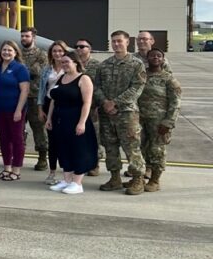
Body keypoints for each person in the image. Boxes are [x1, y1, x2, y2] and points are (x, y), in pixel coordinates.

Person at [94, 30, 147, 193]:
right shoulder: (104, 65)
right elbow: (97, 87)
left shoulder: (136, 64)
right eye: (113, 41)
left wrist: (115, 103)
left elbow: (137, 87)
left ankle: (138, 179)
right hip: (106, 114)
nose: (116, 44)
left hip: (127, 113)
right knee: (110, 146)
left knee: (131, 146)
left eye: (119, 41)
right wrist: (104, 102)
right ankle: (115, 178)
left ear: (127, 42)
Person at [45, 53, 98, 195]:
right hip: (60, 119)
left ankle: (77, 182)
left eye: (67, 61)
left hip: (76, 118)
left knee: (78, 149)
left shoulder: (84, 79)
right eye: (62, 62)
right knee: (63, 149)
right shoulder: (61, 78)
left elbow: (87, 103)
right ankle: (67, 180)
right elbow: (53, 100)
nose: (64, 64)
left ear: (75, 62)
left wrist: (82, 122)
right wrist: (49, 118)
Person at [137, 49, 181, 192]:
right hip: (140, 118)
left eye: (159, 56)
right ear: (147, 59)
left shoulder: (169, 78)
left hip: (159, 122)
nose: (155, 58)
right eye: (152, 56)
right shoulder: (141, 76)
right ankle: (140, 177)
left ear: (163, 59)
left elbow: (176, 103)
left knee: (157, 150)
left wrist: (168, 122)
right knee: (139, 148)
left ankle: (155, 179)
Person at [0, 40, 30, 181]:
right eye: (4, 50)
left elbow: (24, 90)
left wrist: (18, 110)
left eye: (10, 50)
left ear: (15, 52)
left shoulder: (20, 68)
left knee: (17, 139)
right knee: (4, 139)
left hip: (15, 109)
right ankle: (7, 168)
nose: (6, 52)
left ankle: (16, 170)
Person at [38, 41, 69, 184]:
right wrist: (40, 108)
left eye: (60, 51)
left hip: (66, 106)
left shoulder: (69, 68)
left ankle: (67, 173)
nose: (57, 54)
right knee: (52, 141)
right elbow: (41, 90)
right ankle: (52, 172)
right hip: (49, 104)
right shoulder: (46, 70)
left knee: (65, 140)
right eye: (54, 51)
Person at [21, 27, 49, 171]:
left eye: (27, 36)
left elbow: (40, 71)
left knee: (38, 127)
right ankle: (17, 154)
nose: (24, 39)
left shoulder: (41, 54)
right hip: (18, 96)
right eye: (23, 36)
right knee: (18, 128)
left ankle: (42, 157)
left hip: (34, 96)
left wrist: (23, 69)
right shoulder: (16, 53)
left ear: (34, 38)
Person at [75, 38, 104, 176]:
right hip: (75, 106)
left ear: (90, 49)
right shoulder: (73, 64)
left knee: (94, 135)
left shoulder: (97, 66)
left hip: (92, 107)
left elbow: (101, 86)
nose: (79, 49)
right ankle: (80, 162)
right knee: (78, 136)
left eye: (83, 46)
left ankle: (94, 164)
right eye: (77, 47)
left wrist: (98, 104)